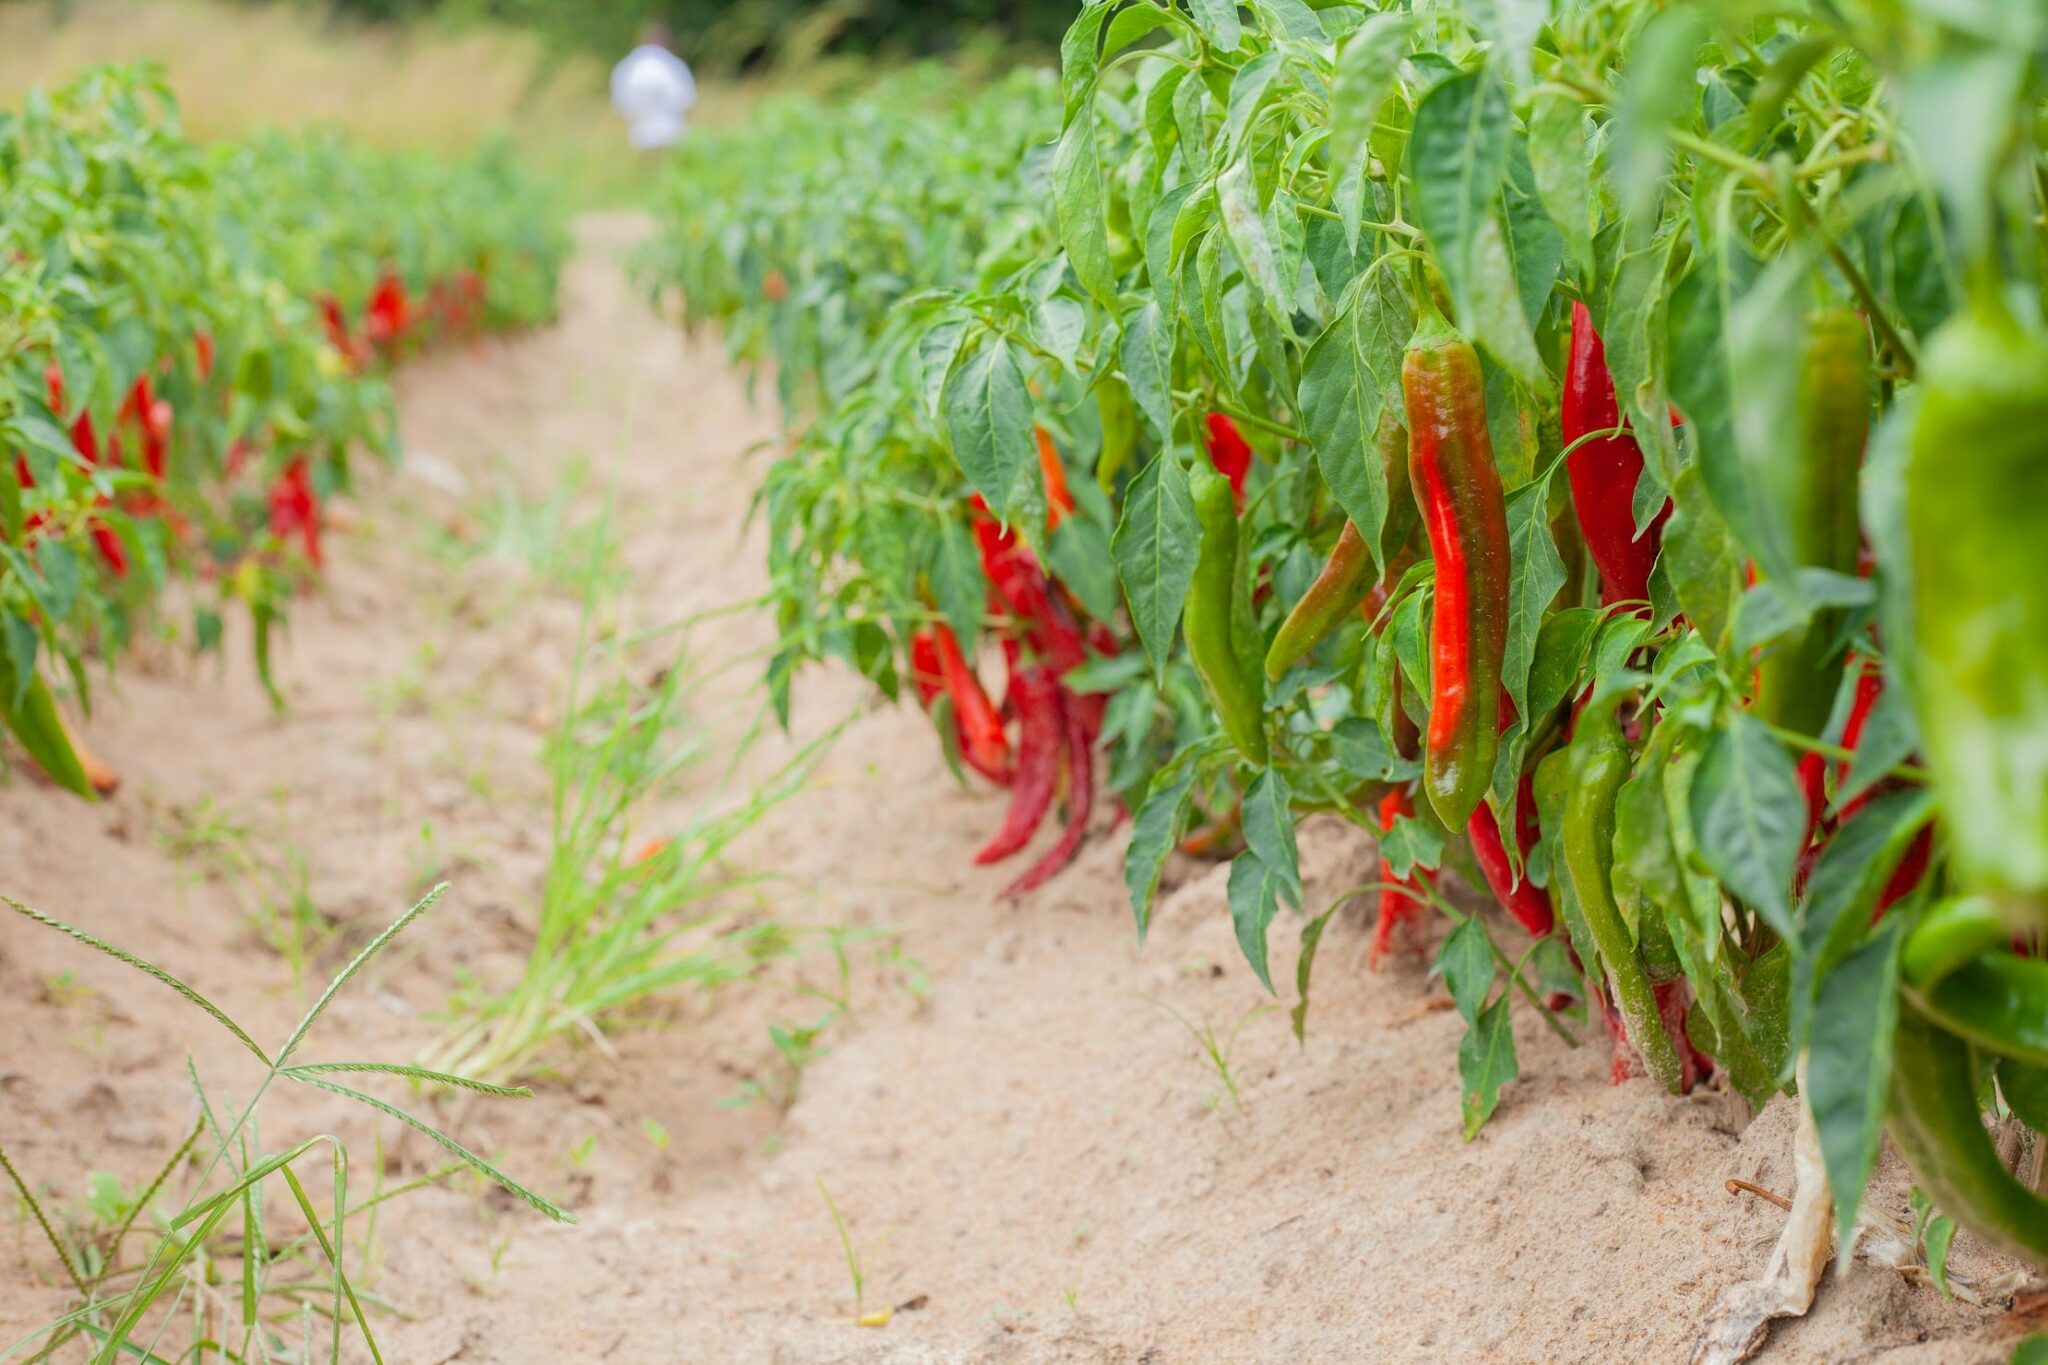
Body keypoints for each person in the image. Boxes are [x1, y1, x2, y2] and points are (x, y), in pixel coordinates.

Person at [610, 24, 697, 153]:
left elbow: (620, 105)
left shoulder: (627, 66)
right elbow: (687, 100)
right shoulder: (674, 64)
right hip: (673, 132)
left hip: (639, 135)